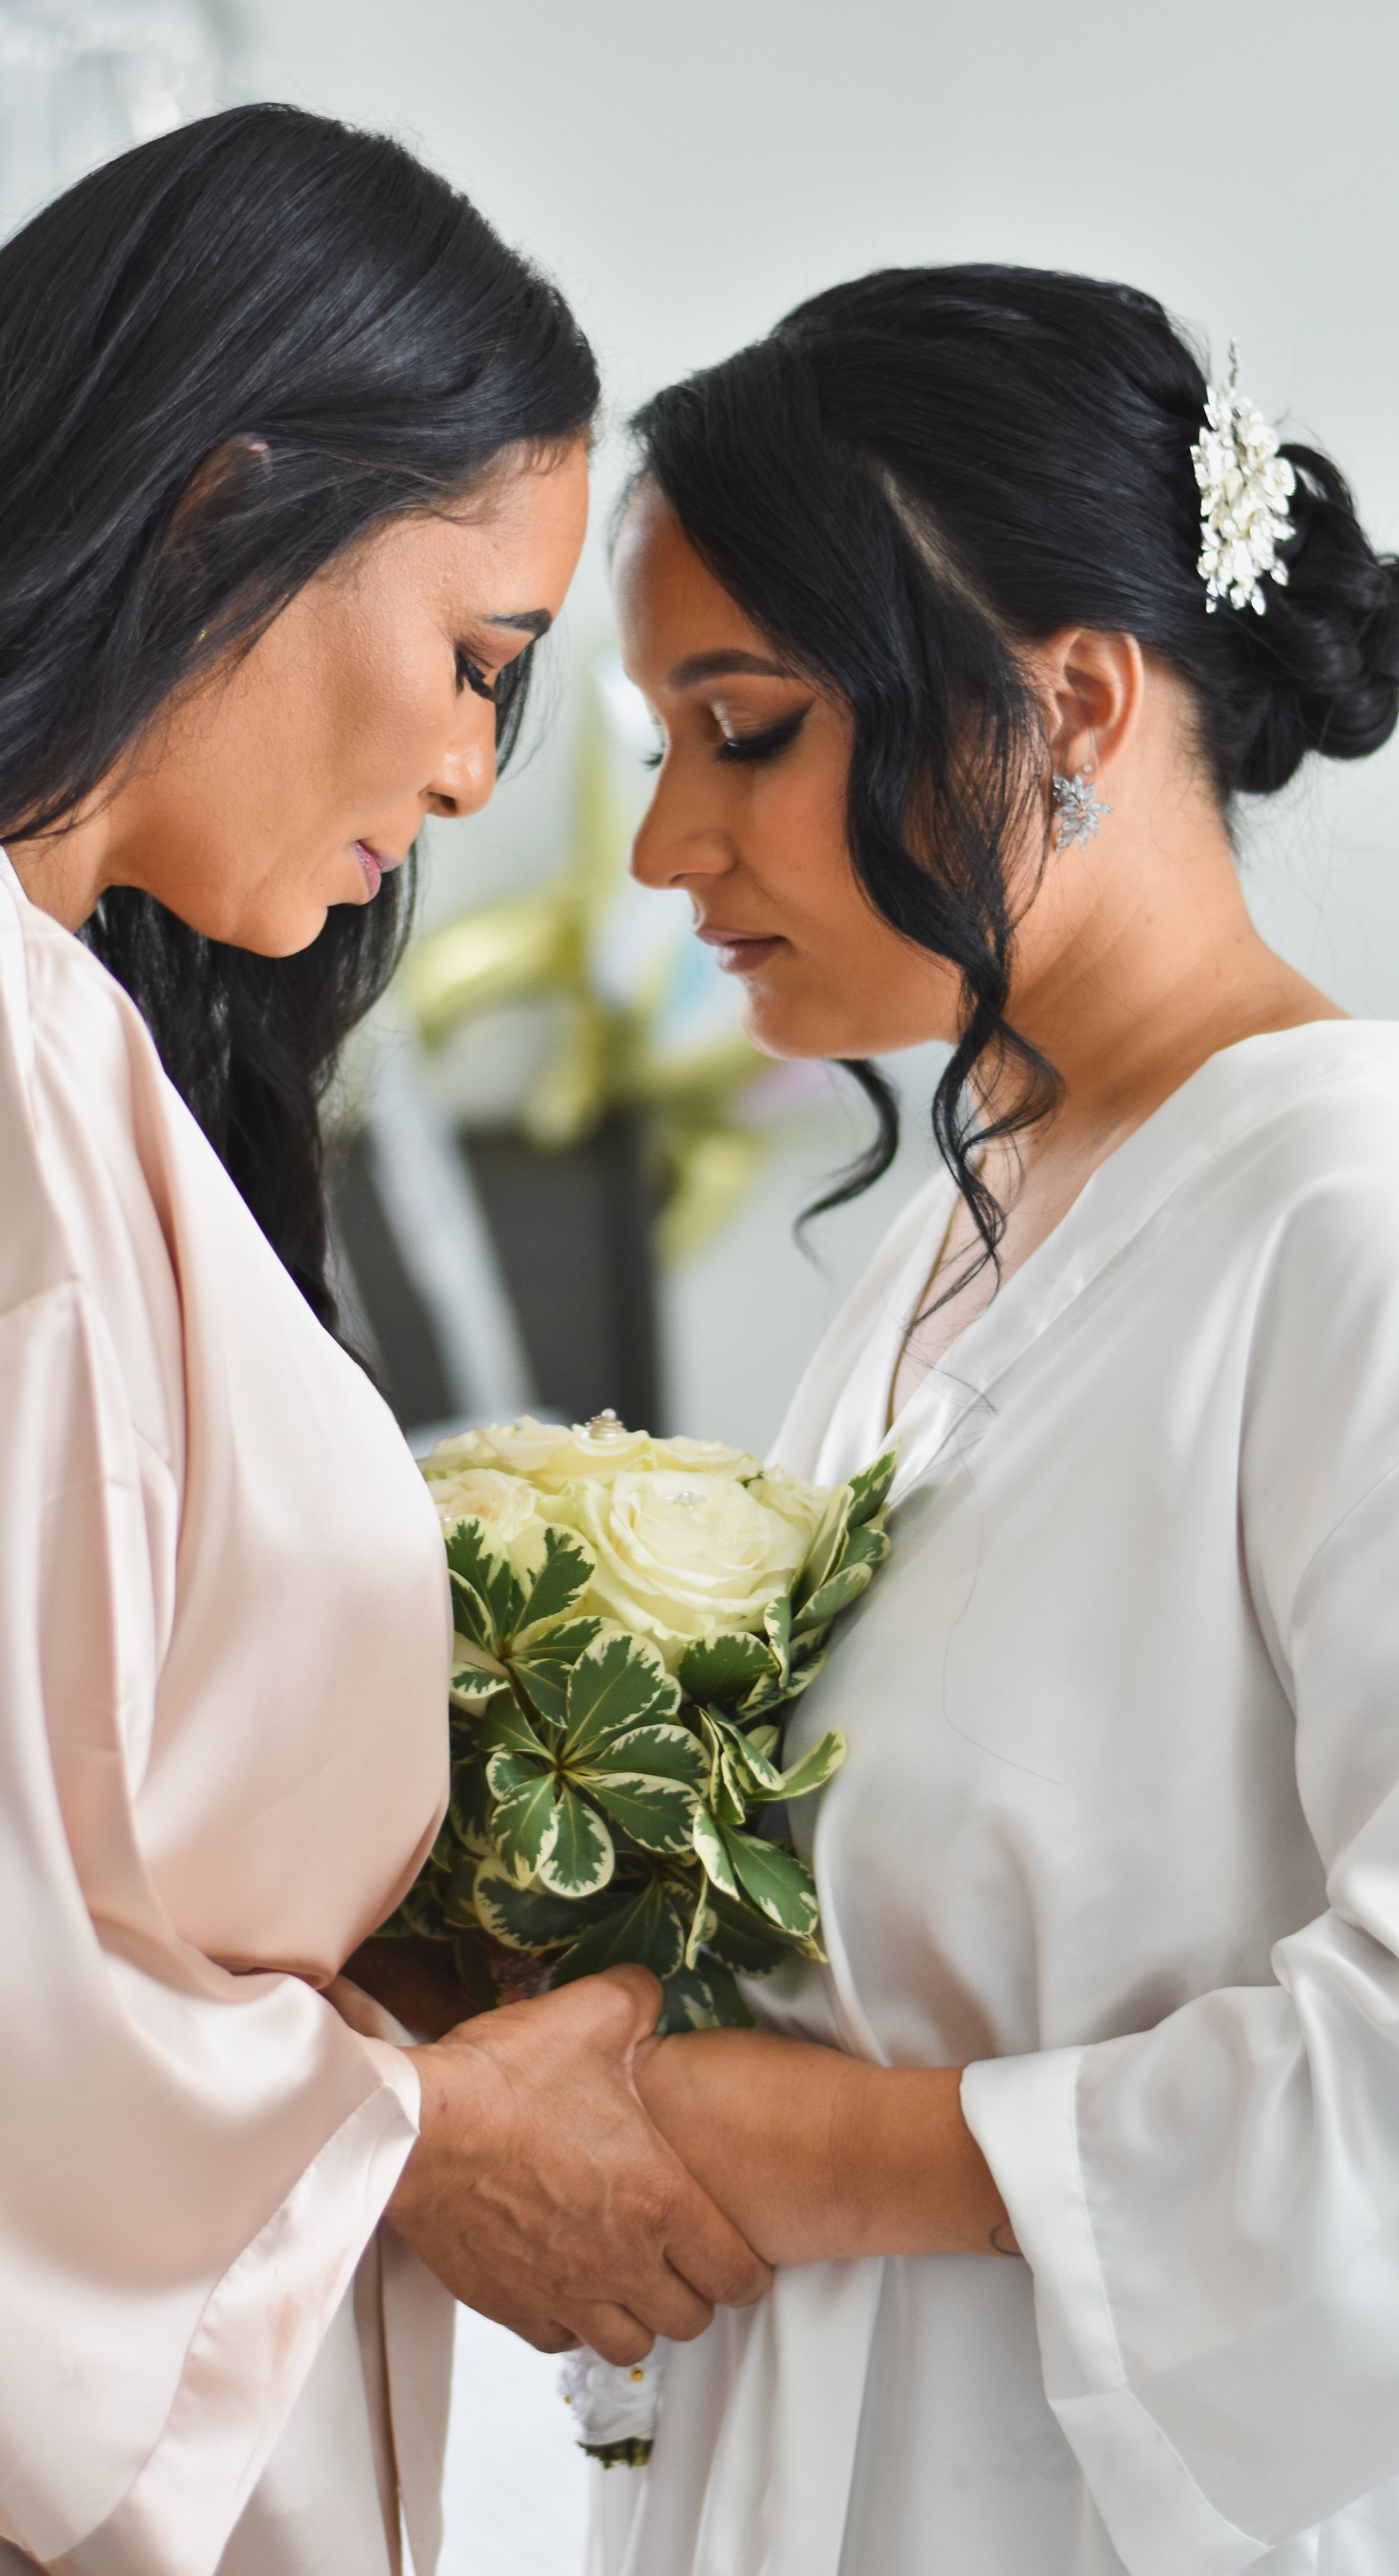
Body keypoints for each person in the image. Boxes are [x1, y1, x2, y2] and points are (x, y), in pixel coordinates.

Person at [0, 105, 768, 2576]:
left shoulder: (14, 1018)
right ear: (224, 510)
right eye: (479, 660)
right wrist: (418, 2127)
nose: (480, 772)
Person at [604, 265, 1399, 2575]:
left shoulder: (1343, 1227)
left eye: (739, 729)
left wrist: (801, 2153)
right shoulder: (972, 1221)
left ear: (1068, 700)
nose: (667, 849)